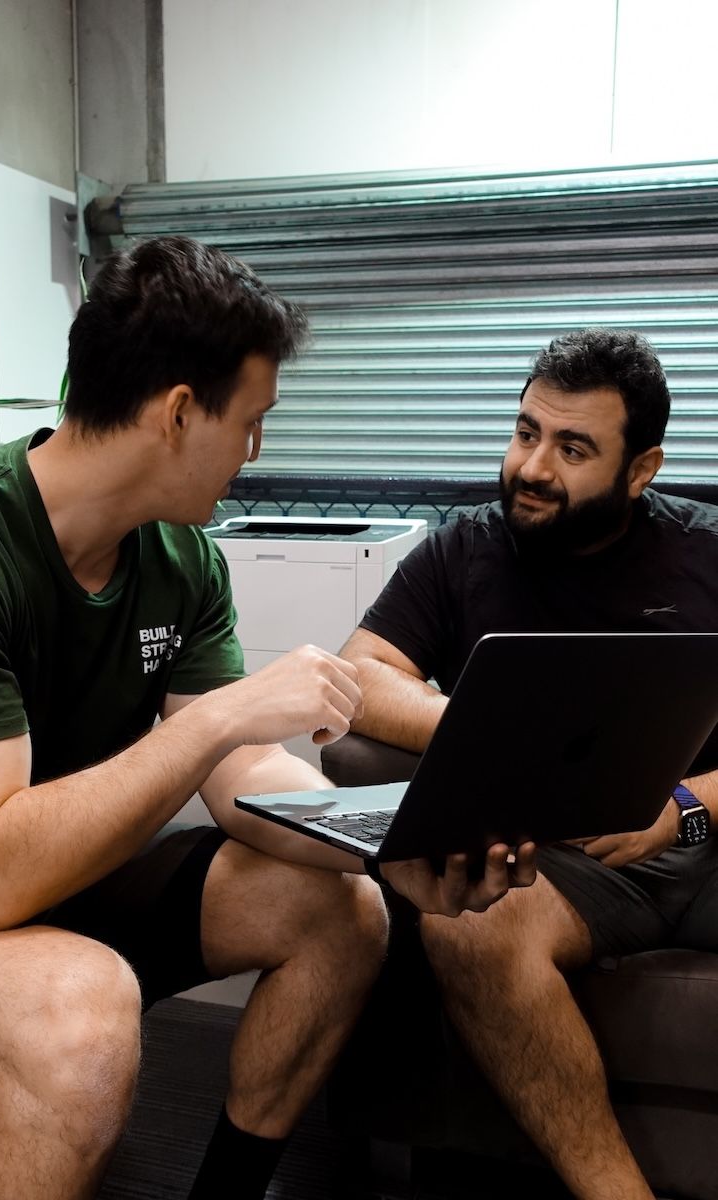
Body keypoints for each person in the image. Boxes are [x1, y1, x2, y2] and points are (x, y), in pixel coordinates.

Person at [0, 234, 398, 1200]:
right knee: (81, 1011)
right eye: (251, 422)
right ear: (180, 413)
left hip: (68, 863)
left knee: (342, 910)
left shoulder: (182, 562)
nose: (256, 451)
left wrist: (389, 841)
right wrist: (209, 724)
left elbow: (243, 785)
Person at [340, 327, 718, 1200]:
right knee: (467, 923)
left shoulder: (708, 553)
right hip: (566, 869)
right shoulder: (464, 548)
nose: (533, 467)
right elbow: (359, 678)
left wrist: (686, 804)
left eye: (573, 448)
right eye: (526, 433)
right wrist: (494, 730)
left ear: (641, 470)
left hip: (704, 836)